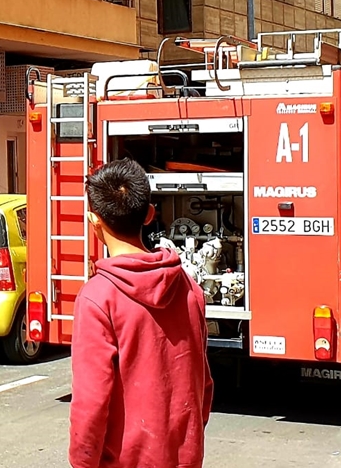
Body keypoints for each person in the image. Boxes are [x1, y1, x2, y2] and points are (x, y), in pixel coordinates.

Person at [69, 158, 213, 468]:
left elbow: (91, 403)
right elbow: (202, 386)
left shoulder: (97, 299)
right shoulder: (189, 289)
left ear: (93, 221)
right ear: (149, 215)